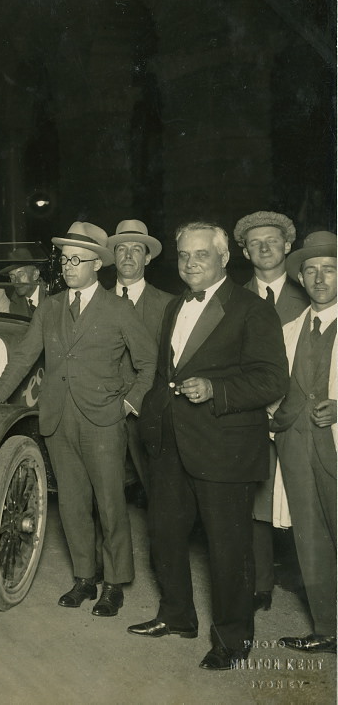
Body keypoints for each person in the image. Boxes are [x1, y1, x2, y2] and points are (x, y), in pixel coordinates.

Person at [0, 221, 156, 618]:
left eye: (77, 259)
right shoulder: (51, 306)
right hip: (57, 417)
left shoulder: (118, 309)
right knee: (72, 503)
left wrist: (129, 404)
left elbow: (148, 362)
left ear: (96, 266)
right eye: (64, 258)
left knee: (110, 504)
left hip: (103, 421)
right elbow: (24, 356)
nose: (68, 265)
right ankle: (84, 578)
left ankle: (114, 583)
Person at [128, 222, 288, 671]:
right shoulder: (174, 306)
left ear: (224, 259)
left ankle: (233, 640)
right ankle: (177, 616)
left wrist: (216, 388)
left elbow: (273, 378)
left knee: (228, 547)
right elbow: (165, 373)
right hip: (171, 443)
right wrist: (151, 419)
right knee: (164, 534)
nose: (191, 263)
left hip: (224, 446)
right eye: (183, 255)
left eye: (201, 254)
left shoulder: (251, 309)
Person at [233, 210, 311, 613]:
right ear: (245, 252)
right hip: (252, 417)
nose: (264, 248)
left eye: (272, 241)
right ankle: (261, 584)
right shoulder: (233, 298)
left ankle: (308, 582)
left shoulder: (311, 293)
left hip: (301, 419)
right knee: (256, 501)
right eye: (255, 243)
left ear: (287, 246)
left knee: (305, 501)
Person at [271, 231, 337, 655]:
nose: (318, 278)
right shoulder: (289, 328)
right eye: (310, 270)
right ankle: (328, 628)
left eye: (328, 269)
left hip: (333, 442)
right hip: (295, 441)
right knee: (309, 538)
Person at [106, 220, 173, 493]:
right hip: (105, 414)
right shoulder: (95, 302)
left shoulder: (169, 304)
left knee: (157, 494)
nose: (129, 255)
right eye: (122, 249)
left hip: (152, 414)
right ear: (113, 257)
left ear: (147, 257)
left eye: (137, 249)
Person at [0, 246, 47, 317]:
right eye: (12, 276)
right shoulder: (14, 305)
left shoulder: (51, 295)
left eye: (21, 274)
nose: (16, 282)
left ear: (35, 274)